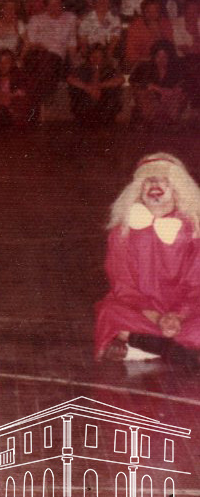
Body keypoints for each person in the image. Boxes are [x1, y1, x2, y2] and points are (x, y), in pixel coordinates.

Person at [94, 154, 200, 365]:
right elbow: (123, 286)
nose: (154, 184)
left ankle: (137, 342)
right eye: (148, 180)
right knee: (110, 312)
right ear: (138, 190)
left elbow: (197, 285)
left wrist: (178, 316)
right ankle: (171, 349)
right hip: (143, 312)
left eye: (164, 180)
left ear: (178, 190)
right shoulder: (121, 233)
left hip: (186, 313)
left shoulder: (194, 232)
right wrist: (158, 319)